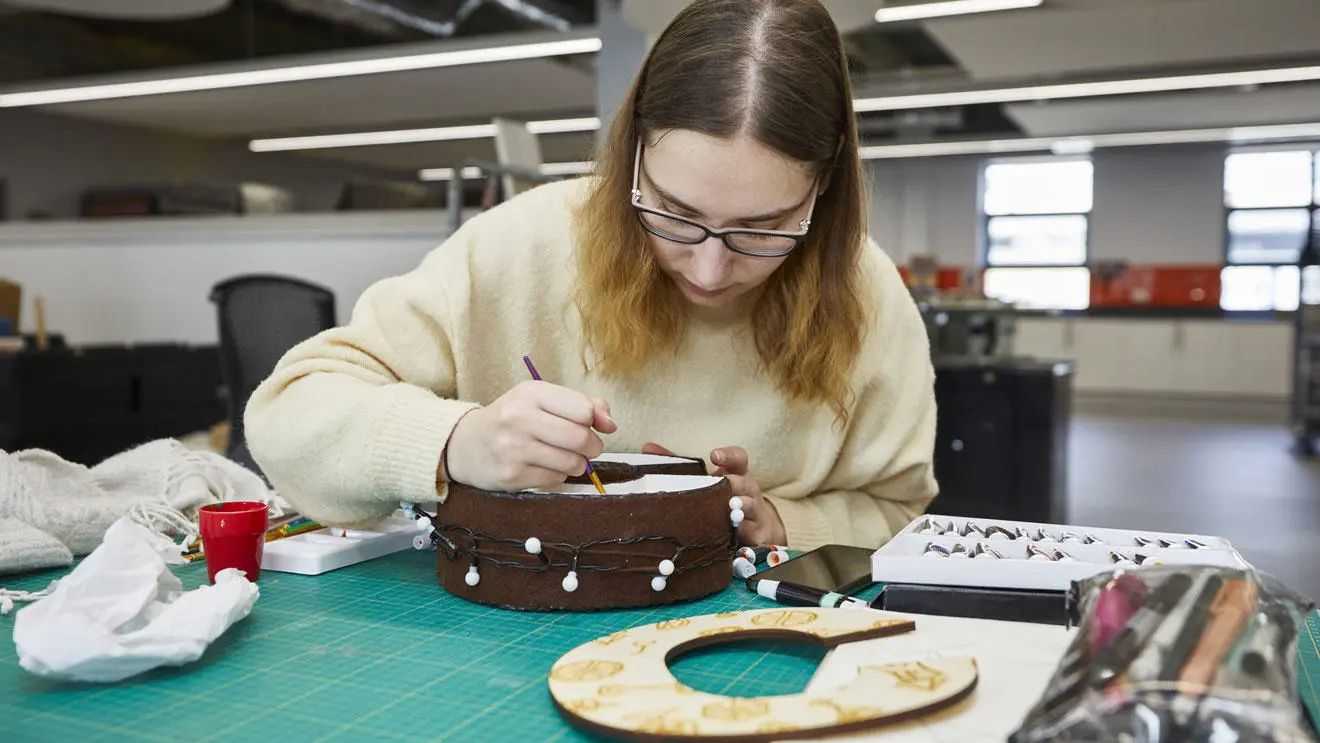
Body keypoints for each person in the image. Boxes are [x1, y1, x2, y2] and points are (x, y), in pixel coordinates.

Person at [244, 0, 938, 552]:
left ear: (824, 191)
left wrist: (783, 521)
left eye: (762, 228)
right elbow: (286, 416)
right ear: (632, 157)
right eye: (674, 213)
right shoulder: (521, 244)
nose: (710, 266)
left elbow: (900, 513)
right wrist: (457, 441)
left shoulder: (869, 298)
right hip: (504, 642)